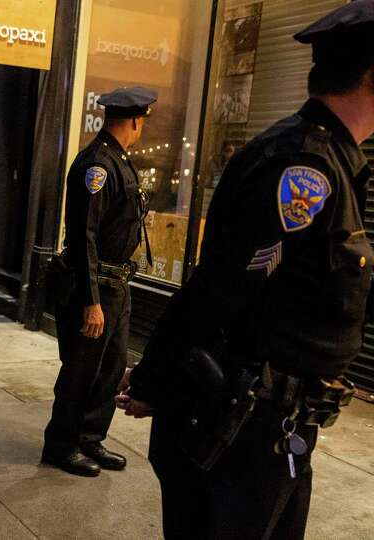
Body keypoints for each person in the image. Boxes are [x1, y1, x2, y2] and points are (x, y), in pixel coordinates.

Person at [117, 2, 374, 538]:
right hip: (241, 427)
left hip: (275, 425)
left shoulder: (336, 164)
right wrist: (154, 379)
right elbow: (223, 286)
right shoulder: (304, 170)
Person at [41, 87, 155, 477]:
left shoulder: (120, 161)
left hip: (117, 286)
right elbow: (82, 236)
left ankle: (90, 437)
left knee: (111, 367)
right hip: (93, 287)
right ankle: (61, 444)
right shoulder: (98, 165)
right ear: (136, 121)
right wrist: (91, 301)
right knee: (80, 371)